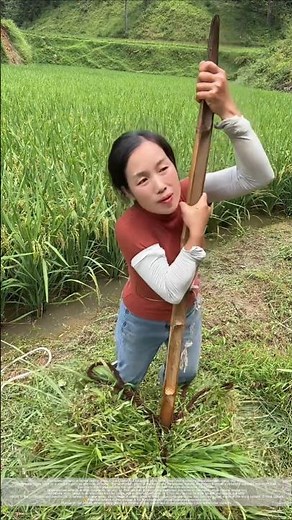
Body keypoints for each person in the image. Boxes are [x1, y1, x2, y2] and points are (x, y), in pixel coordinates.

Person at [107, 61, 274, 388]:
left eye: (163, 168)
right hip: (143, 318)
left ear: (174, 164)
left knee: (185, 373)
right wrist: (195, 233)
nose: (160, 185)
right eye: (143, 180)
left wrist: (228, 110)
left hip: (189, 311)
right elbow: (170, 289)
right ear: (127, 191)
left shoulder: (191, 191)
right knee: (128, 378)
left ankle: (169, 391)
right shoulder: (130, 227)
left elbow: (257, 176)